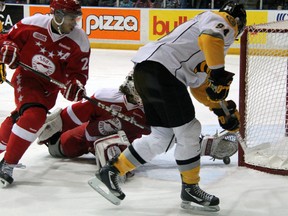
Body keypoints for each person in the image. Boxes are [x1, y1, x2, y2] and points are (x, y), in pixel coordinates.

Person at [92, 1, 246, 211]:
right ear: (239, 23)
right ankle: (191, 188)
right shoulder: (221, 21)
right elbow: (211, 38)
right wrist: (219, 75)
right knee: (189, 130)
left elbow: (200, 86)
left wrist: (220, 109)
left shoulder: (208, 43)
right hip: (163, 72)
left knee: (162, 137)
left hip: (147, 72)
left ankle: (112, 171)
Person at [0, 0, 90, 187]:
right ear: (57, 16)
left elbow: (79, 73)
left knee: (22, 118)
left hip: (50, 89)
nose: (75, 23)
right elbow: (7, 39)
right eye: (71, 18)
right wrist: (9, 48)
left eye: (76, 18)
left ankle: (6, 153)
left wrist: (75, 85)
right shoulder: (33, 24)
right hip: (26, 78)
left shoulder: (79, 39)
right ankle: (7, 165)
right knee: (34, 116)